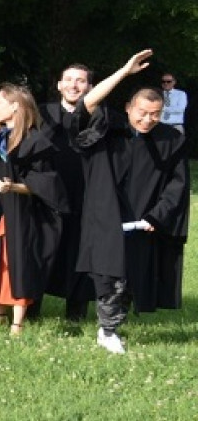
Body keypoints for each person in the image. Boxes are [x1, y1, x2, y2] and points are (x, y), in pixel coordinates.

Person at [74, 50, 189, 354]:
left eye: (155, 114)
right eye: (142, 112)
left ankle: (109, 327)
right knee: (108, 274)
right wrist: (124, 72)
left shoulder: (170, 140)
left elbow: (178, 184)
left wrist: (157, 216)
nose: (148, 119)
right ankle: (108, 329)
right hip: (104, 214)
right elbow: (86, 104)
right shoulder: (109, 130)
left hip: (142, 218)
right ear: (128, 108)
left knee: (130, 276)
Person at [0, 85, 66, 336]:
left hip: (22, 213)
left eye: (0, 102)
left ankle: (17, 322)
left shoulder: (34, 141)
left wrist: (15, 186)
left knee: (17, 262)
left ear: (16, 106)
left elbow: (47, 181)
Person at [43, 63, 96, 320]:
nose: (74, 85)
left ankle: (76, 312)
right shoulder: (43, 114)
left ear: (90, 87)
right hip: (48, 195)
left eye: (81, 81)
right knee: (44, 250)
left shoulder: (98, 118)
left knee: (79, 252)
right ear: (59, 85)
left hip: (83, 195)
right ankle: (30, 309)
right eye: (69, 80)